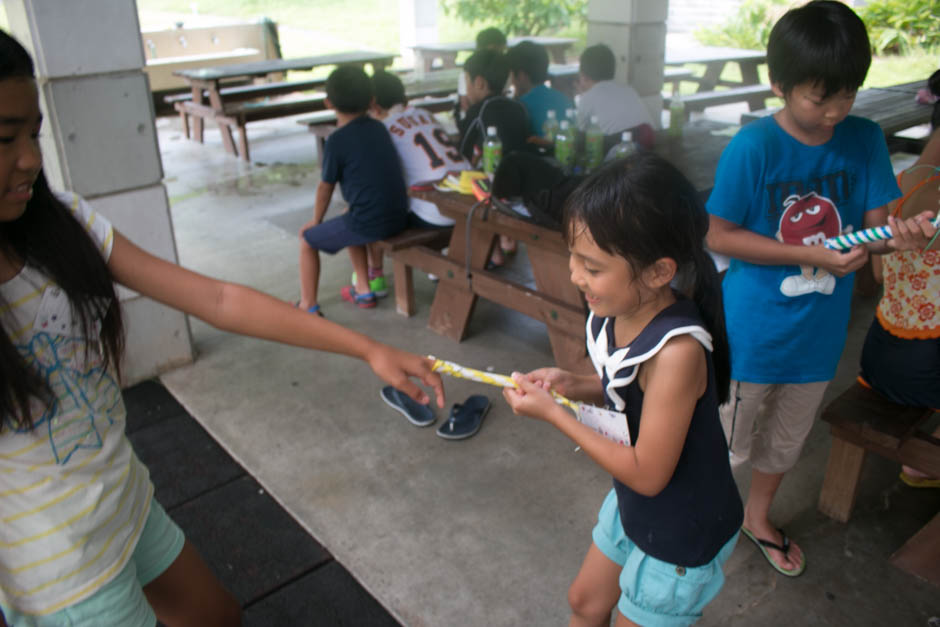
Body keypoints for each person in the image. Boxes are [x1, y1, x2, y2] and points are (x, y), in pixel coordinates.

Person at [0, 30, 444, 627]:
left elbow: (217, 297)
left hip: (123, 501)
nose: (30, 158)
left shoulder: (61, 221)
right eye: (6, 138)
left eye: (34, 134)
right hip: (60, 573)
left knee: (218, 615)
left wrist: (367, 347)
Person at [705, 0, 936, 577]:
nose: (835, 111)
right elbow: (718, 233)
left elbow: (875, 229)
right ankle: (705, 519)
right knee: (727, 441)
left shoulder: (862, 139)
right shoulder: (754, 147)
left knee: (785, 442)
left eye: (848, 94)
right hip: (753, 333)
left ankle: (757, 518)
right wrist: (807, 253)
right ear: (780, 84)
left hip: (816, 339)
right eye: (819, 97)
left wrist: (897, 240)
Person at [503, 153, 743, 627]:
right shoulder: (616, 309)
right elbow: (627, 390)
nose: (574, 276)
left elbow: (649, 473)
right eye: (573, 256)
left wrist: (557, 414)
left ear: (658, 272)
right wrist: (575, 385)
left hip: (682, 527)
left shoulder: (677, 353)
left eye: (592, 267)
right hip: (636, 504)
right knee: (585, 603)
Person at [859, 77, 940, 487]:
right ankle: (923, 462)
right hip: (924, 373)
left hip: (879, 357)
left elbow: (877, 273)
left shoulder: (903, 183)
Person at [298, 65, 408, 313]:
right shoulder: (379, 129)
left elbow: (325, 187)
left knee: (306, 241)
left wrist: (315, 221)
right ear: (371, 101)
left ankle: (307, 305)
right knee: (350, 215)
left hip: (370, 222)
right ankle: (363, 288)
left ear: (328, 103)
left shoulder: (336, 141)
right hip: (399, 216)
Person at [370, 71, 470, 228]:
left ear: (374, 106)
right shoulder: (425, 114)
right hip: (469, 200)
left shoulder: (384, 128)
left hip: (433, 213)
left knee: (367, 220)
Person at [457, 49, 530, 165]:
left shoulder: (477, 112)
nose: (466, 88)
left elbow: (462, 154)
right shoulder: (519, 106)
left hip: (490, 178)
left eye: (466, 80)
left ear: (479, 83)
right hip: (521, 174)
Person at [575, 43, 655, 147]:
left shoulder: (587, 98)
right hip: (648, 148)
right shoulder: (629, 90)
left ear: (583, 75)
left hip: (616, 156)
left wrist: (584, 98)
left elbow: (579, 132)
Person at [506, 40, 573, 140]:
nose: (511, 81)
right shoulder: (564, 99)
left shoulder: (519, 107)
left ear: (521, 76)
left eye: (510, 75)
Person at [456, 27, 508, 120]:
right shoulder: (469, 70)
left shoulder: (502, 68)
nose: (502, 54)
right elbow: (464, 103)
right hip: (476, 118)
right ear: (491, 48)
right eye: (500, 50)